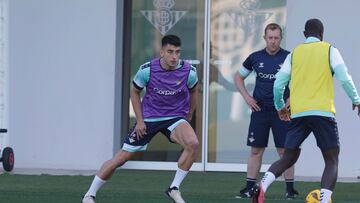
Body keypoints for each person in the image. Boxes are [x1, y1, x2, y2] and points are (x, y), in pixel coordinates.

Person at [252, 18, 360, 203]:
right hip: (323, 113)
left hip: (299, 114)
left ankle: (261, 186)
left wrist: (280, 107)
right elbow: (344, 78)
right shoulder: (330, 50)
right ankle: (324, 200)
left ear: (304, 34)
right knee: (331, 159)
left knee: (288, 157)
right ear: (322, 34)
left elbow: (278, 84)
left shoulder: (294, 54)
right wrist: (356, 100)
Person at [81, 35, 199, 203]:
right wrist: (141, 121)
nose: (174, 57)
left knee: (193, 143)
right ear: (162, 52)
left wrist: (189, 114)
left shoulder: (189, 71)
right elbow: (135, 92)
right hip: (149, 118)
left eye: (177, 52)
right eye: (170, 52)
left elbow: (194, 91)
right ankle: (89, 195)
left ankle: (174, 188)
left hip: (175, 117)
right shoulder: (147, 70)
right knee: (121, 158)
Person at [233, 23, 298, 199]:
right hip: (260, 110)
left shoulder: (289, 57)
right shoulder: (255, 57)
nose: (273, 41)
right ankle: (249, 188)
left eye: (276, 38)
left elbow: (301, 80)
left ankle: (290, 190)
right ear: (265, 38)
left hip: (281, 112)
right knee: (256, 150)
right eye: (270, 38)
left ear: (280, 38)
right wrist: (247, 97)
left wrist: (291, 100)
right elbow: (238, 77)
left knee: (285, 151)